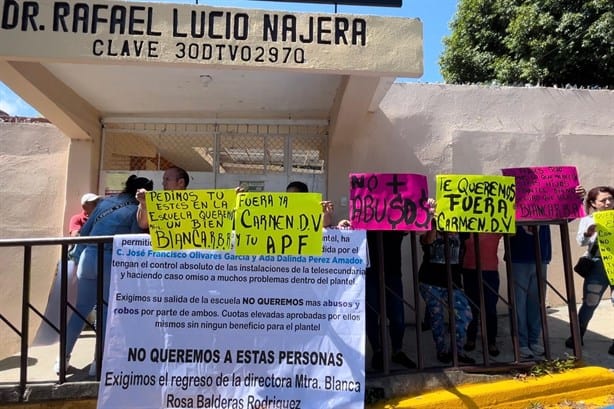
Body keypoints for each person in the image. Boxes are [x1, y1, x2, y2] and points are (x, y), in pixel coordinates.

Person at [56, 175, 153, 376]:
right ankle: (97, 364)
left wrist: (77, 257)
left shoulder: (105, 203)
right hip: (111, 262)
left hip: (89, 258)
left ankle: (62, 359)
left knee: (80, 310)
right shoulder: (137, 209)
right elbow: (135, 239)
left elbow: (86, 231)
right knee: (107, 314)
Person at [509, 185, 585, 359]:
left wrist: (577, 199)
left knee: (536, 301)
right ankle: (521, 342)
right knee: (519, 303)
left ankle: (534, 340)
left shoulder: (546, 206)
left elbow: (566, 215)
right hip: (519, 259)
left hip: (541, 257)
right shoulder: (513, 205)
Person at [419, 200, 474, 364]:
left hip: (453, 281)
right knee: (437, 318)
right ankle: (442, 350)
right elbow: (427, 241)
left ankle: (457, 350)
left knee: (465, 313)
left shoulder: (460, 227)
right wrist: (434, 218)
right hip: (430, 281)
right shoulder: (432, 226)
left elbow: (467, 235)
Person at [565, 186, 614, 354]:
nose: (608, 203)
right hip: (598, 266)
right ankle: (578, 335)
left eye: (610, 199)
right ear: (593, 203)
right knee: (590, 302)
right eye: (603, 200)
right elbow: (581, 242)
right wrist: (589, 233)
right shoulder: (587, 219)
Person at [365, 230, 416, 370]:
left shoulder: (396, 214)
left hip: (392, 272)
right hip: (370, 272)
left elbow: (414, 229)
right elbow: (355, 226)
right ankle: (377, 351)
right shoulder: (365, 213)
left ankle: (397, 350)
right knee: (372, 314)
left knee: (397, 317)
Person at [462, 233, 503, 357]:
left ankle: (491, 341)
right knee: (472, 307)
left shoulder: (494, 222)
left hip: (490, 271)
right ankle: (471, 338)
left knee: (490, 308)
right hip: (469, 269)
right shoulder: (466, 225)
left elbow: (511, 231)